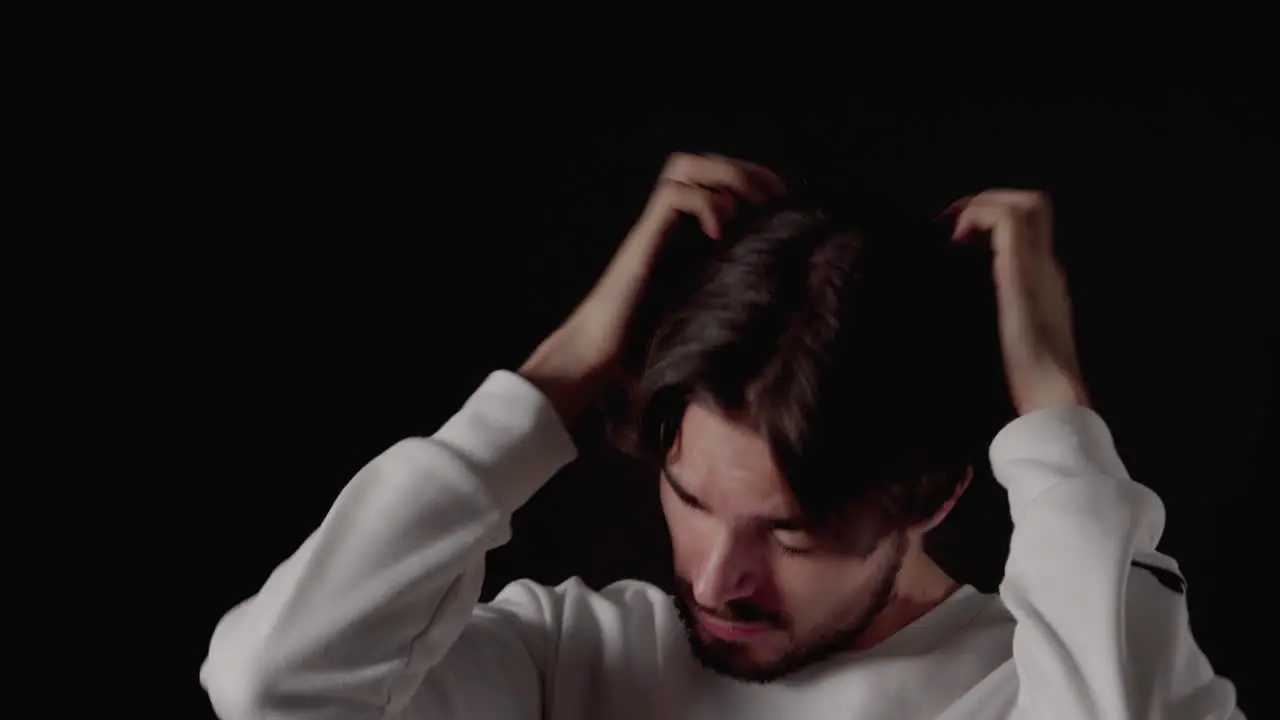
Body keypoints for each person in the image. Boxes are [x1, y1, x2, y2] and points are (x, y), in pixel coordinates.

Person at [199, 154, 1243, 719]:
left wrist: (1054, 421)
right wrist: (552, 381)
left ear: (933, 497)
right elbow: (272, 687)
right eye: (689, 498)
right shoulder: (566, 662)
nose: (715, 579)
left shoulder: (1024, 685)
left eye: (789, 534)